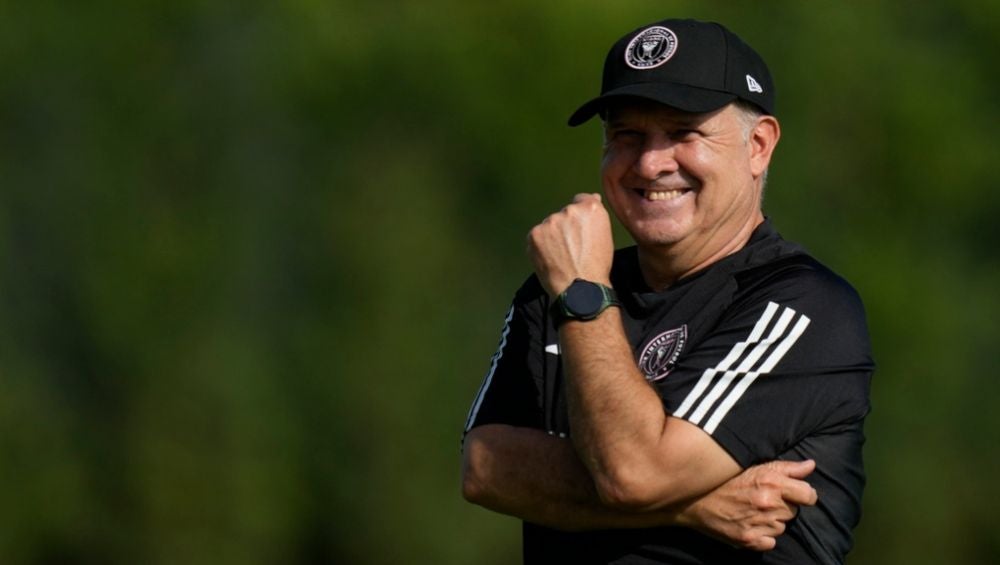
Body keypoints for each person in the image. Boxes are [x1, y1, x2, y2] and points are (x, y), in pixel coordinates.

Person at [461, 17, 874, 565]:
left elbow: (634, 473)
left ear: (758, 145)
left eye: (683, 133)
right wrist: (690, 507)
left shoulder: (806, 307)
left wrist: (584, 297)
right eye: (626, 136)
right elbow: (484, 468)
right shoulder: (557, 286)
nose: (651, 164)